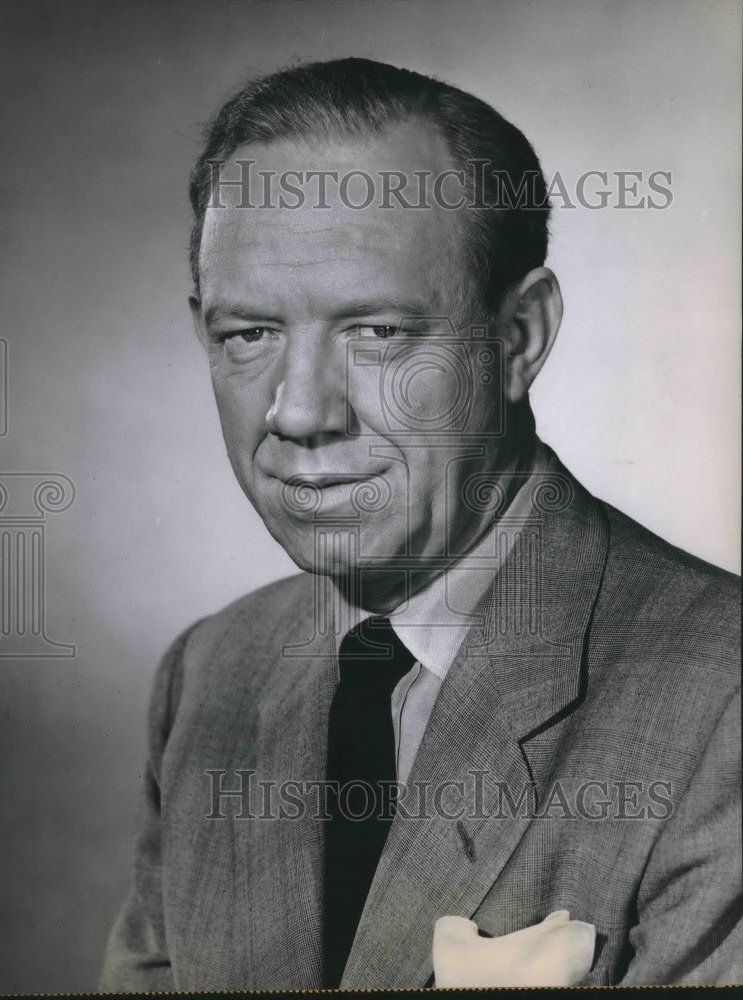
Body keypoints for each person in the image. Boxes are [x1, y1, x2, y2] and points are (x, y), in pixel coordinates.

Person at [99, 58, 741, 990]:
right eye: (250, 334)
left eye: (378, 332)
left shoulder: (721, 707)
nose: (301, 411)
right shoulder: (210, 675)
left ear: (518, 337)